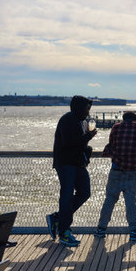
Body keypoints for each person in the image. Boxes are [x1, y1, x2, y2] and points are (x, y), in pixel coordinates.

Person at [94, 111, 136, 242]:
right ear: (135, 119)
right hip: (133, 171)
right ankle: (133, 231)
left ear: (123, 119)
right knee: (131, 201)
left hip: (116, 169)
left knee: (109, 200)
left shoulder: (116, 127)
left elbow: (111, 144)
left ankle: (101, 229)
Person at [47, 95, 97, 247]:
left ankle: (58, 218)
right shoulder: (68, 120)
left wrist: (87, 146)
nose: (88, 112)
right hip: (66, 163)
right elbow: (70, 143)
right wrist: (89, 136)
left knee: (84, 193)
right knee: (67, 195)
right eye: (87, 108)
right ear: (78, 107)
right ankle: (64, 232)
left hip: (77, 163)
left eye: (89, 108)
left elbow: (80, 144)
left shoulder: (81, 121)